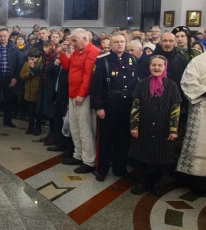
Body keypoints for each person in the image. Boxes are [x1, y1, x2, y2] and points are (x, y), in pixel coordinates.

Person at [128, 55, 181, 196]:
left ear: (165, 67)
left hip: (162, 128)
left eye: (160, 65)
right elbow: (135, 106)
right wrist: (134, 126)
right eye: (154, 65)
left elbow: (175, 108)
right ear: (149, 66)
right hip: (144, 126)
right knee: (143, 156)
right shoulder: (142, 83)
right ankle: (143, 183)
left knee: (159, 157)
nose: (156, 68)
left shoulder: (172, 85)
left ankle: (156, 183)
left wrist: (173, 129)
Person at [90, 33, 139, 181]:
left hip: (126, 104)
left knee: (123, 139)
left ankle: (120, 168)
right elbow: (96, 86)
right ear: (110, 44)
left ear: (126, 43)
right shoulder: (102, 60)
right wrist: (98, 107)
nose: (119, 44)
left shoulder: (132, 60)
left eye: (122, 42)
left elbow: (136, 83)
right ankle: (102, 169)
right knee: (105, 138)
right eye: (116, 42)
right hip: (109, 105)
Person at [177, 27, 206, 190]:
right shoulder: (198, 60)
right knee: (202, 143)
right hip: (203, 111)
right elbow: (187, 83)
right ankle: (200, 183)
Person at [60, 29, 100, 174]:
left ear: (85, 38)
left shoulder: (92, 52)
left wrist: (81, 94)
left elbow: (88, 76)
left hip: (82, 96)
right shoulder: (77, 51)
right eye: (72, 41)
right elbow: (66, 66)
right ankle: (78, 155)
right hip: (72, 94)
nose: (73, 44)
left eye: (75, 41)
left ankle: (88, 160)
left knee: (85, 129)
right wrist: (64, 52)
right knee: (75, 127)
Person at [47, 40, 74, 157]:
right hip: (57, 94)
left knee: (66, 124)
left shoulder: (72, 65)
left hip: (66, 97)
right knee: (57, 120)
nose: (67, 53)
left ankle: (68, 148)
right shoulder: (59, 61)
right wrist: (55, 64)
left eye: (70, 50)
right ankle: (59, 143)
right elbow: (48, 72)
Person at [20, 48, 43, 135]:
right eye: (29, 58)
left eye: (32, 59)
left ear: (37, 58)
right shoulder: (26, 64)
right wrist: (29, 74)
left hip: (37, 92)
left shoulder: (41, 65)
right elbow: (22, 76)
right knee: (30, 112)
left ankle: (38, 128)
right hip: (28, 91)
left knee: (38, 112)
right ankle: (30, 127)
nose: (30, 60)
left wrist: (34, 70)